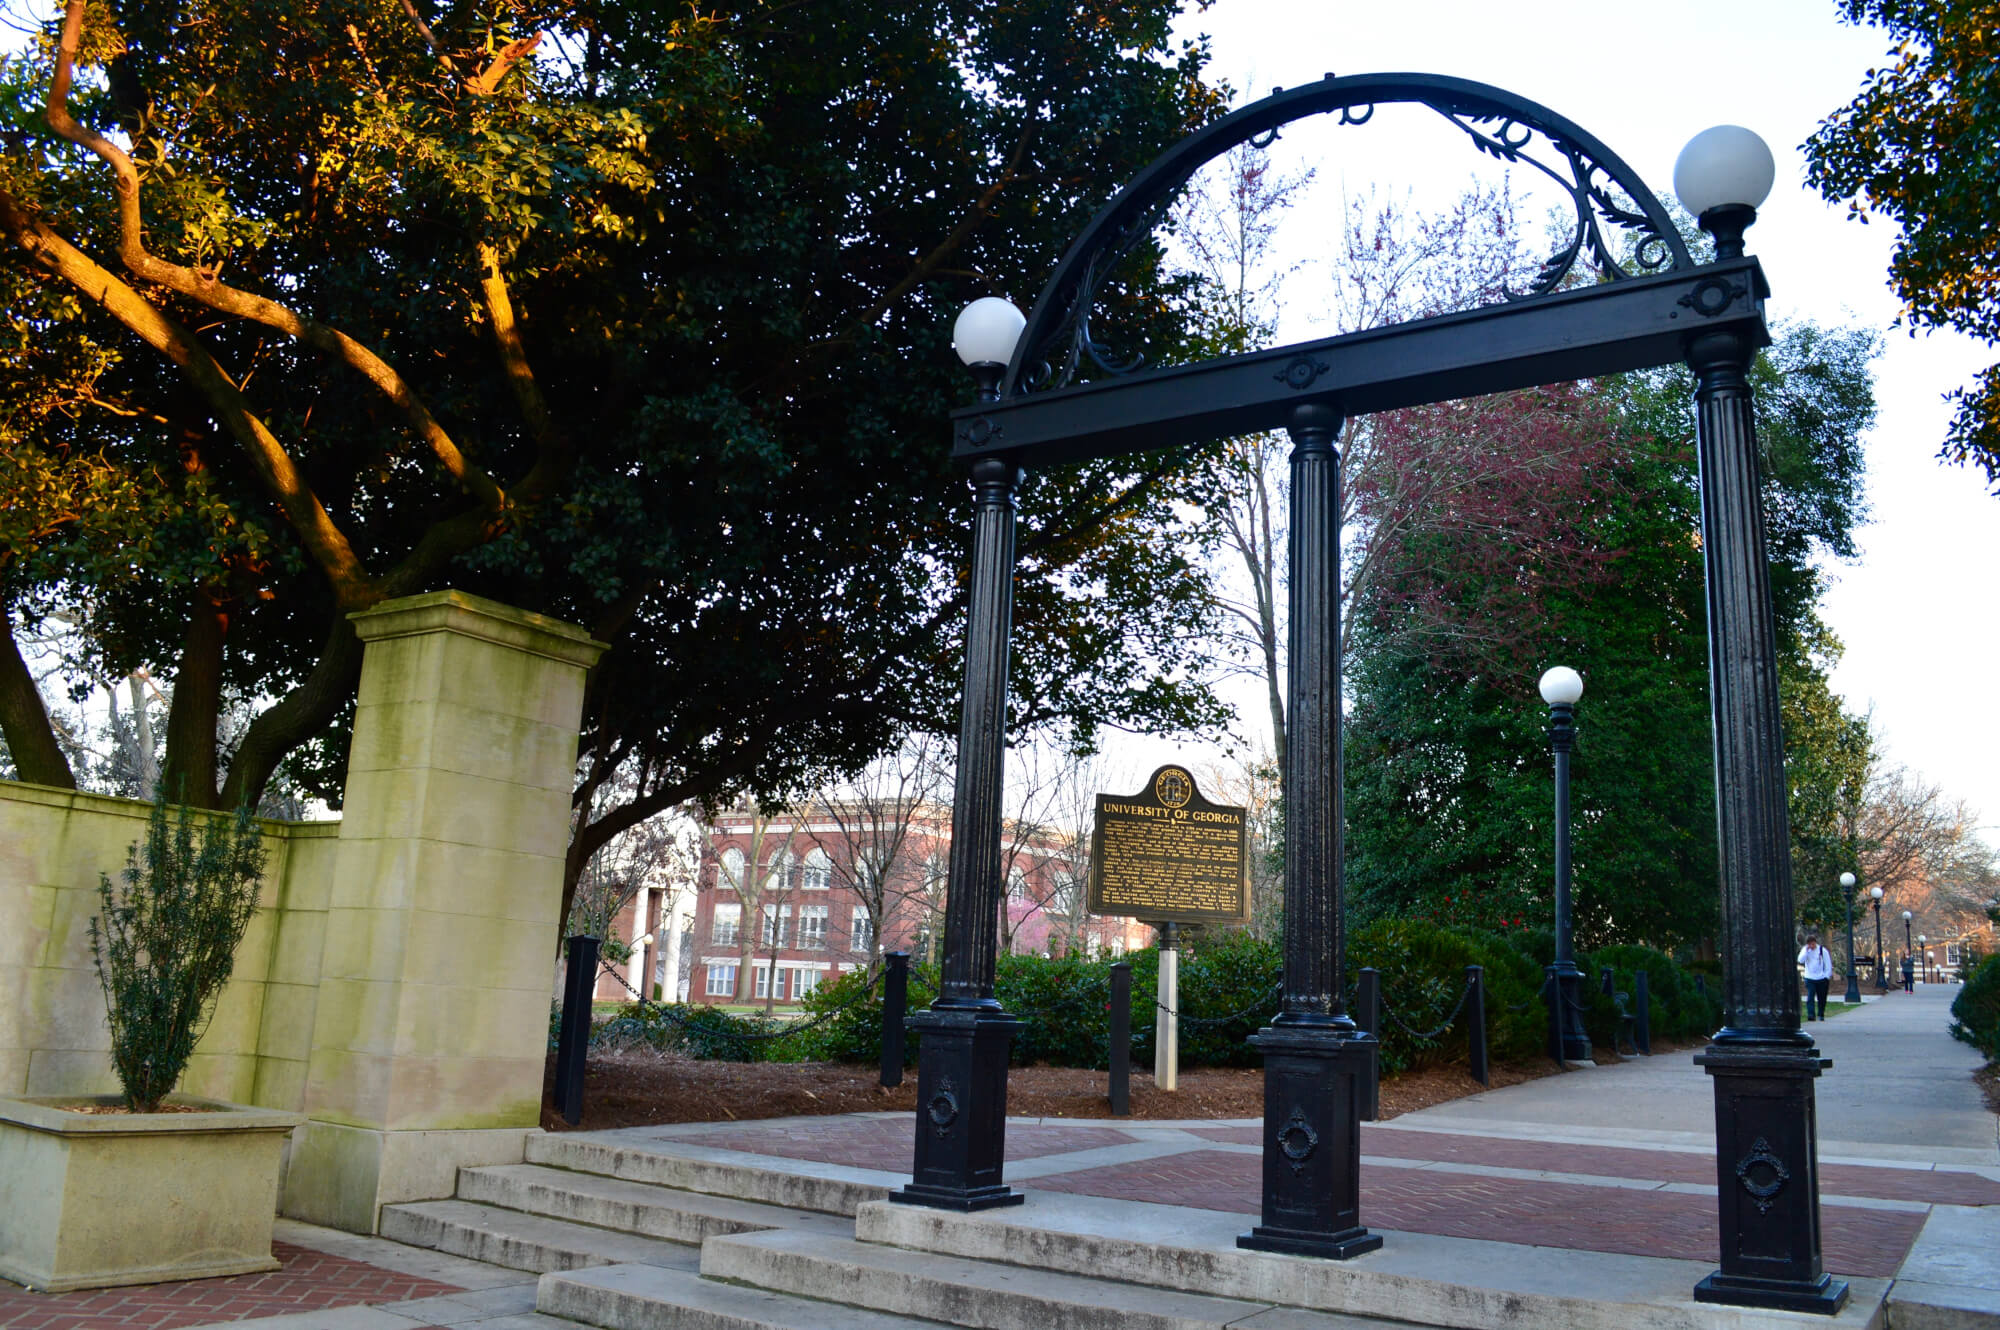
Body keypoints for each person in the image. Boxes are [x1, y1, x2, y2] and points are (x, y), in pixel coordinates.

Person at [1797, 933, 1832, 1020]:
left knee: (1822, 998)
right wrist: (1806, 951)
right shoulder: (1805, 950)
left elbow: (1828, 964)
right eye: (1809, 944)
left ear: (1815, 943)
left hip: (1821, 978)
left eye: (1813, 944)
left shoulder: (1822, 950)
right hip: (1809, 978)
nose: (1811, 946)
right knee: (1810, 997)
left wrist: (1827, 976)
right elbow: (1800, 960)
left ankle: (1821, 1014)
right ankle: (1811, 1015)